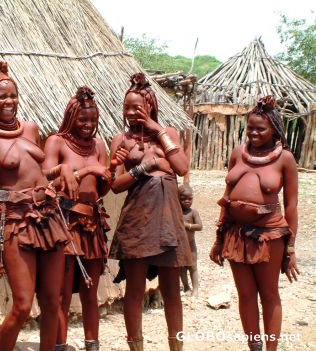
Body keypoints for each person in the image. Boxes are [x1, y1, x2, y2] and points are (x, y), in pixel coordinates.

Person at [0, 61, 76, 351]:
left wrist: (63, 170)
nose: (9, 101)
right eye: (2, 96)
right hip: (17, 222)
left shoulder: (30, 128)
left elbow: (39, 173)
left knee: (52, 300)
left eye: (13, 95)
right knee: (22, 305)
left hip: (49, 218)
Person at [109, 73, 192, 351]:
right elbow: (116, 186)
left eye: (137, 107)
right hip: (137, 221)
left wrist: (157, 131)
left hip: (168, 221)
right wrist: (145, 166)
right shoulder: (121, 139)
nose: (131, 113)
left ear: (151, 106)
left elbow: (181, 168)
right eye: (127, 107)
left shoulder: (168, 133)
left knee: (172, 292)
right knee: (134, 290)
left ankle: (176, 347)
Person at [209, 96, 299, 351]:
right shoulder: (238, 153)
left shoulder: (285, 159)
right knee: (246, 295)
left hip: (269, 234)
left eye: (261, 128)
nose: (254, 132)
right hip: (236, 233)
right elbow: (226, 198)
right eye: (250, 127)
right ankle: (255, 348)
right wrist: (219, 238)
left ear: (274, 129)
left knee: (269, 295)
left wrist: (290, 248)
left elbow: (291, 206)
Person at [43, 86, 111, 351]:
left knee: (89, 291)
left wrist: (107, 173)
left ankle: (92, 345)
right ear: (71, 117)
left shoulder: (99, 145)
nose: (88, 125)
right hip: (64, 221)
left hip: (91, 224)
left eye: (93, 120)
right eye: (83, 119)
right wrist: (86, 170)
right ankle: (59, 345)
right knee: (61, 293)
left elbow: (102, 188)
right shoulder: (56, 142)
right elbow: (45, 173)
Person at [178, 184, 203, 297]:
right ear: (178, 198)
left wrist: (186, 225)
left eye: (190, 199)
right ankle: (186, 287)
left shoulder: (193, 212)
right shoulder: (176, 212)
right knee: (182, 267)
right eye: (183, 199)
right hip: (179, 245)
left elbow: (199, 226)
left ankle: (196, 289)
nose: (187, 201)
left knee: (193, 267)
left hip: (190, 244)